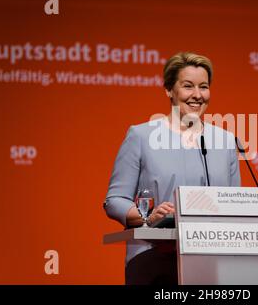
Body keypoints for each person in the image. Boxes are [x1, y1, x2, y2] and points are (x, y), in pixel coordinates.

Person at [103, 51, 241, 285]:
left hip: (212, 260)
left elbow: (236, 205)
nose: (197, 95)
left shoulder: (226, 141)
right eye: (188, 86)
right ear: (169, 90)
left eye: (204, 87)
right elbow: (114, 200)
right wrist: (147, 216)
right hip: (153, 257)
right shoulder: (141, 135)